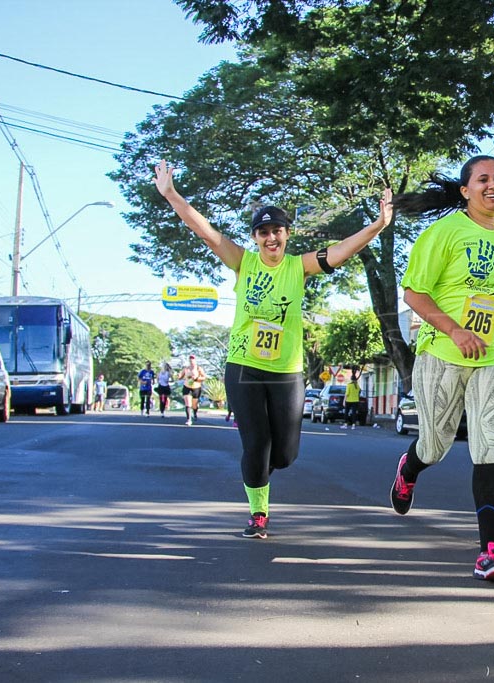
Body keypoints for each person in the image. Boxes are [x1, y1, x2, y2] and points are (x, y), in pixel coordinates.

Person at [155, 159, 392, 539]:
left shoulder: (299, 267)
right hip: (244, 365)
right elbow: (206, 232)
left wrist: (378, 225)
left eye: (277, 231)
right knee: (256, 443)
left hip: (286, 370)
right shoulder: (243, 263)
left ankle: (263, 478)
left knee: (284, 454)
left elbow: (340, 251)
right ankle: (258, 513)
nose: (271, 238)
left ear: (286, 234)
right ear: (255, 237)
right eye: (263, 232)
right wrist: (171, 194)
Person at [389, 155, 494, 581]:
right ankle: (409, 469)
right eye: (483, 179)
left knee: (489, 446)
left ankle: (490, 551)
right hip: (443, 354)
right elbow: (414, 294)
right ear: (465, 190)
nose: (493, 185)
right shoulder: (443, 232)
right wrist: (455, 330)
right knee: (436, 446)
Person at [177, 355, 207, 425]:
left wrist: (196, 378)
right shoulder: (186, 369)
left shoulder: (199, 368)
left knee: (194, 405)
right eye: (190, 359)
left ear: (195, 360)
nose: (191, 361)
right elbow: (180, 377)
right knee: (188, 403)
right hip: (187, 387)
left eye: (193, 359)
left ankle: (195, 412)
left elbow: (204, 377)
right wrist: (178, 376)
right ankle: (189, 419)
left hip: (196, 388)